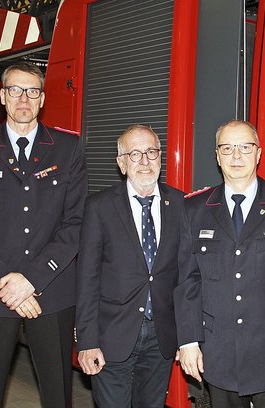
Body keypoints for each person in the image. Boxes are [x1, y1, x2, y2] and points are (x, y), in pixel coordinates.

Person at [0, 61, 87, 408]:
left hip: (51, 293)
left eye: (32, 91)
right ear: (2, 97)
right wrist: (7, 282)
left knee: (58, 396)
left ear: (42, 99)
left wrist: (32, 279)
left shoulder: (67, 148)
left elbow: (76, 223)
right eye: (15, 90)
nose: (23, 98)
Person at [174, 119, 265, 407]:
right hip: (219, 354)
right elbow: (187, 281)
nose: (236, 156)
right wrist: (189, 342)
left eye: (245, 147)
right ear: (217, 157)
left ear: (259, 153)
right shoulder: (194, 209)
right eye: (227, 148)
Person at [75, 124, 184, 407]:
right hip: (112, 337)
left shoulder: (182, 205)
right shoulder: (99, 207)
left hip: (161, 338)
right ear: (122, 163)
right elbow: (87, 278)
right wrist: (87, 341)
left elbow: (187, 277)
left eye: (151, 152)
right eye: (135, 155)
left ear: (161, 157)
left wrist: (188, 337)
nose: (145, 161)